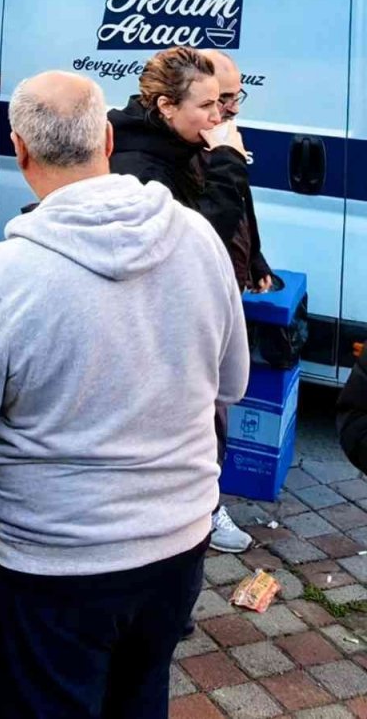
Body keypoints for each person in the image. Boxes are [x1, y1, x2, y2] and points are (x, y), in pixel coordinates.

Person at [0, 72, 249, 719]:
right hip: (176, 545)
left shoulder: (3, 276)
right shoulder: (197, 237)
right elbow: (231, 383)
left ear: (19, 150)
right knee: (139, 699)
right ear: (107, 136)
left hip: (53, 566)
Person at [108, 46, 255, 554]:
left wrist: (256, 264)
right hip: (159, 325)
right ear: (167, 106)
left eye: (225, 103)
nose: (220, 117)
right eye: (209, 106)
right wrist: (228, 165)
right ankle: (196, 513)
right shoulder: (139, 164)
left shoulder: (182, 140)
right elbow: (197, 239)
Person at [200, 50, 273, 294]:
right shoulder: (179, 153)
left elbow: (240, 199)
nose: (234, 109)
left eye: (237, 97)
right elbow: (201, 238)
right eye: (223, 99)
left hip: (231, 283)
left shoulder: (221, 135)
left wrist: (254, 257)